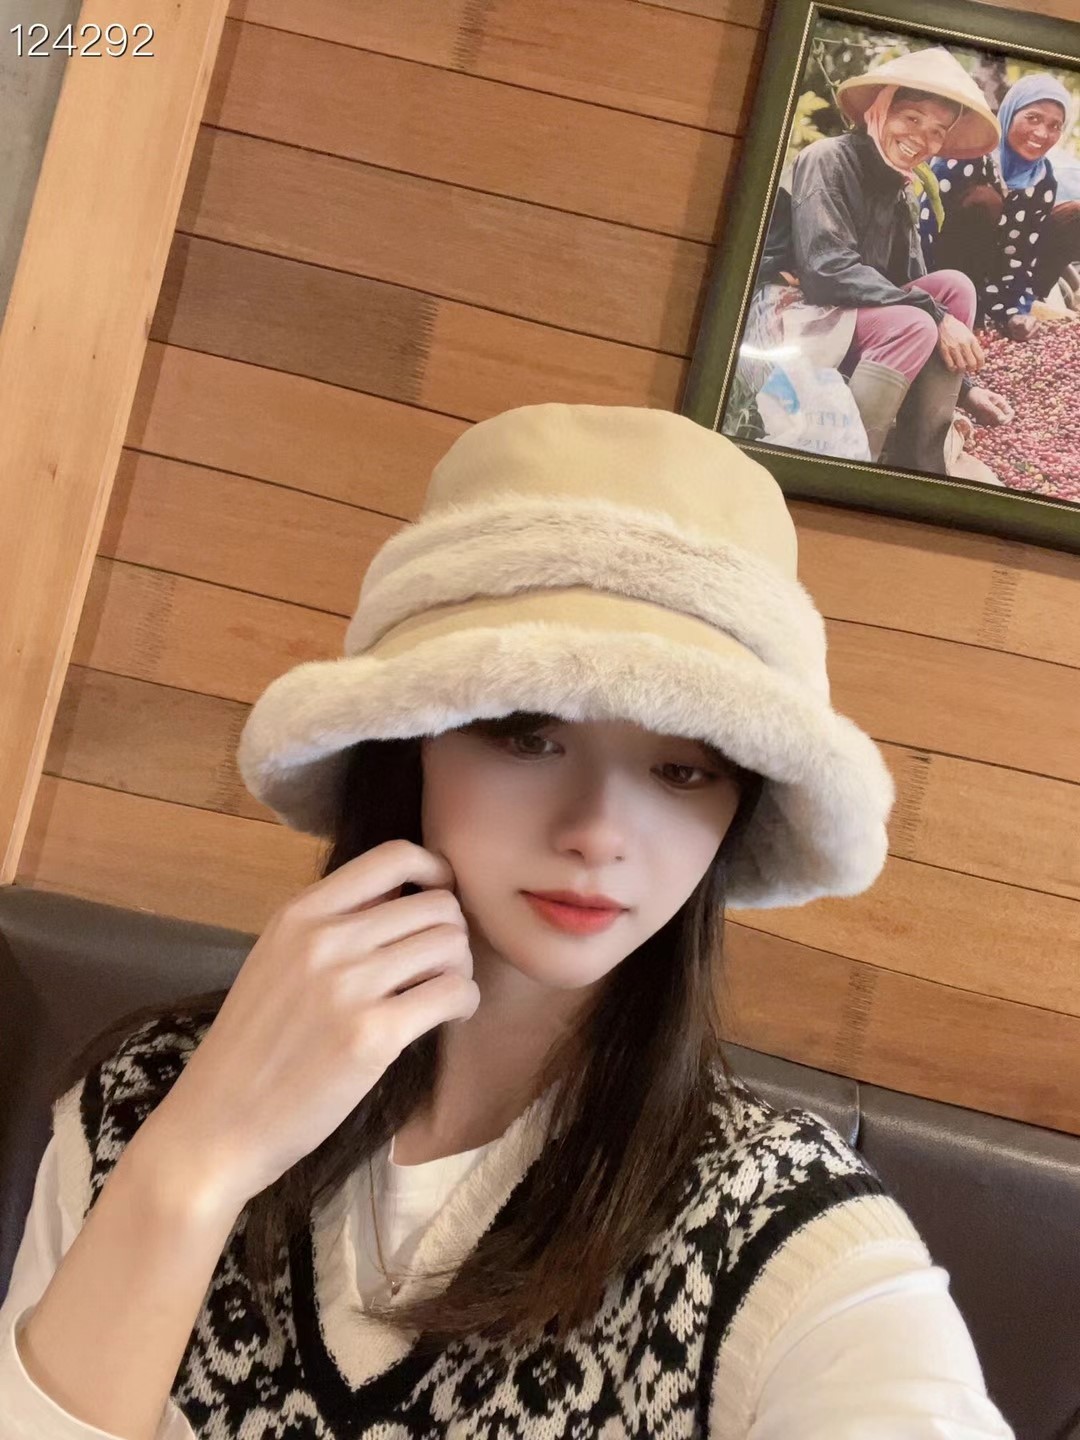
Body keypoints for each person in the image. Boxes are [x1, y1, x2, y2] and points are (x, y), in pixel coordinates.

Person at [0, 406, 1016, 1437]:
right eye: (528, 736)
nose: (599, 833)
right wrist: (192, 1166)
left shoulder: (775, 1229)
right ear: (412, 742)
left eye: (683, 769)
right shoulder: (143, 1102)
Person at [739, 47, 1015, 470]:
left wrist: (968, 389)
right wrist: (935, 316)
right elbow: (827, 272)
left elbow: (912, 283)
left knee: (954, 287)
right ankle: (852, 464)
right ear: (880, 111)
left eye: (937, 131)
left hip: (849, 314)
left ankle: (919, 460)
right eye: (911, 118)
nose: (921, 138)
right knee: (916, 322)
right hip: (791, 315)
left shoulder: (901, 189)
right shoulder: (827, 159)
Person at [920, 72, 1080, 343]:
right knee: (985, 202)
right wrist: (930, 306)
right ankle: (967, 311)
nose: (1042, 133)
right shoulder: (967, 155)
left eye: (1055, 126)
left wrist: (1016, 311)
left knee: (1074, 216)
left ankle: (1008, 310)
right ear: (1010, 113)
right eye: (1033, 118)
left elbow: (1021, 256)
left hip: (997, 282)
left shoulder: (1043, 180)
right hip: (941, 276)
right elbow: (924, 232)